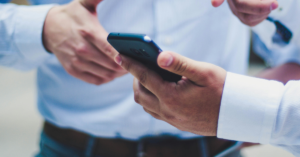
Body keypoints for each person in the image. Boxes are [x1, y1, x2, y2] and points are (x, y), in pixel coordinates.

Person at [0, 0, 278, 156]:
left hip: (215, 149)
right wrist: (43, 27)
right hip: (72, 148)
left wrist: (251, 112)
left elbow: (291, 43)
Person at [117, 0, 300, 156]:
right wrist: (243, 111)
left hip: (219, 147)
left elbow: (292, 55)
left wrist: (241, 109)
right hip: (96, 145)